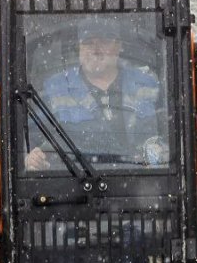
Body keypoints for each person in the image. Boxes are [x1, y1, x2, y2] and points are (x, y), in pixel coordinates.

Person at [25, 18, 164, 170]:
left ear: (118, 46)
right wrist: (30, 158)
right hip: (77, 179)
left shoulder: (146, 83)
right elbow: (29, 139)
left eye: (104, 42)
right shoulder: (56, 88)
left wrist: (161, 153)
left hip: (142, 179)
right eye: (88, 43)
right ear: (79, 48)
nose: (96, 49)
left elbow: (169, 133)